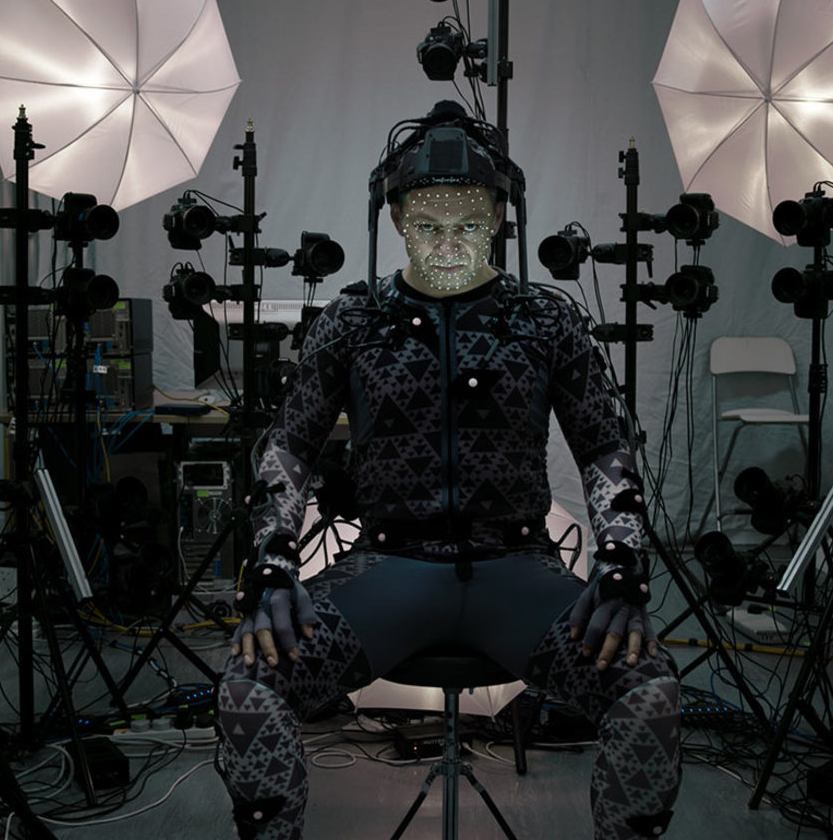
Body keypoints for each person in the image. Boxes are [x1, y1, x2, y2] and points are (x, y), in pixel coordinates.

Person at [214, 101, 680, 840]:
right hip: (388, 568)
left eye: (468, 225)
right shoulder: (354, 318)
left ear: (497, 217)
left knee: (648, 693)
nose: (449, 243)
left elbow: (605, 448)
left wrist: (620, 560)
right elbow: (288, 447)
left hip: (516, 569)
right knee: (248, 688)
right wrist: (272, 560)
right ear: (398, 218)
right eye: (429, 225)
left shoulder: (546, 318)